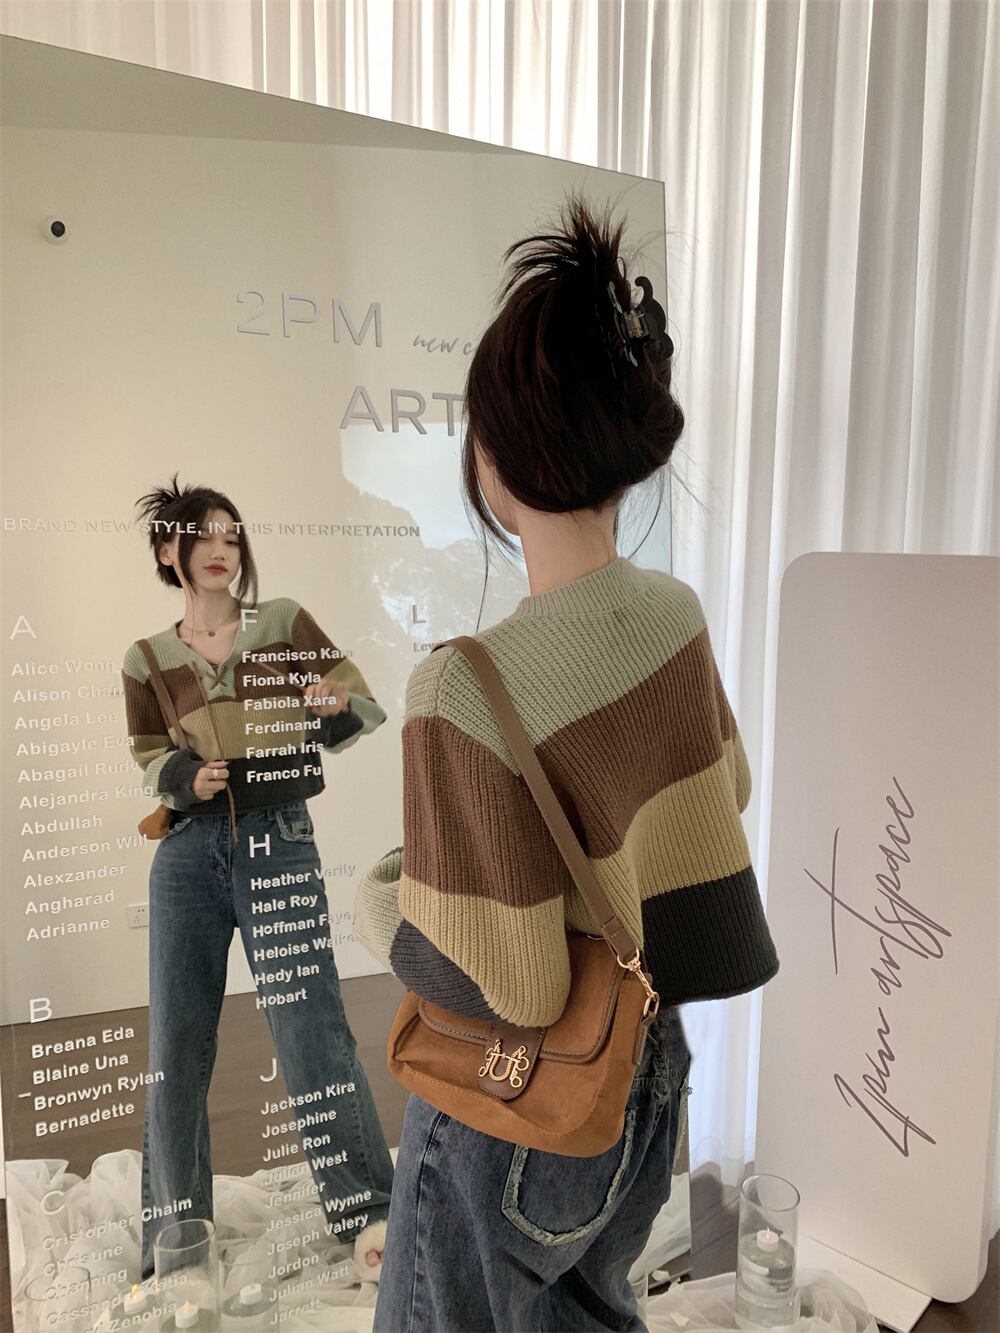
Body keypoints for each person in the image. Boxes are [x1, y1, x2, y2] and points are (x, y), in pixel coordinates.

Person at [354, 195, 780, 1332]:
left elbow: (515, 980)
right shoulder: (675, 616)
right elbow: (722, 796)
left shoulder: (461, 688)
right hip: (647, 1068)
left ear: (493, 456)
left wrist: (389, 894)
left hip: (516, 1104)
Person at [120, 476, 395, 1283]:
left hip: (279, 839)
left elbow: (357, 704)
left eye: (231, 534)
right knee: (177, 1044)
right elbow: (148, 752)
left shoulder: (281, 623)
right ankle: (176, 1240)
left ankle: (368, 1213)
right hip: (186, 856)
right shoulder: (146, 658)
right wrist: (184, 776)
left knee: (311, 1028)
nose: (220, 548)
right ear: (167, 551)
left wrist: (331, 701)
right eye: (202, 535)